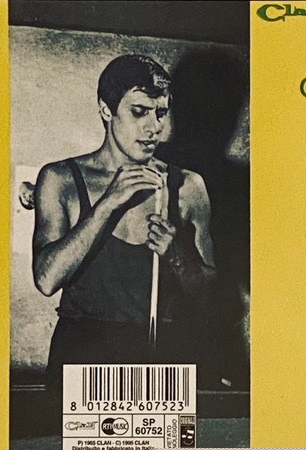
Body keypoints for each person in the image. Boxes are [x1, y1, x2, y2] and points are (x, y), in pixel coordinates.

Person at [32, 55, 217, 393]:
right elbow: (46, 279)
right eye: (139, 112)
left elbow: (210, 294)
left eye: (161, 113)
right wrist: (107, 205)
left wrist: (176, 255)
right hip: (82, 358)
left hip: (161, 358)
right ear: (106, 109)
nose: (154, 127)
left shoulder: (187, 186)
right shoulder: (61, 179)